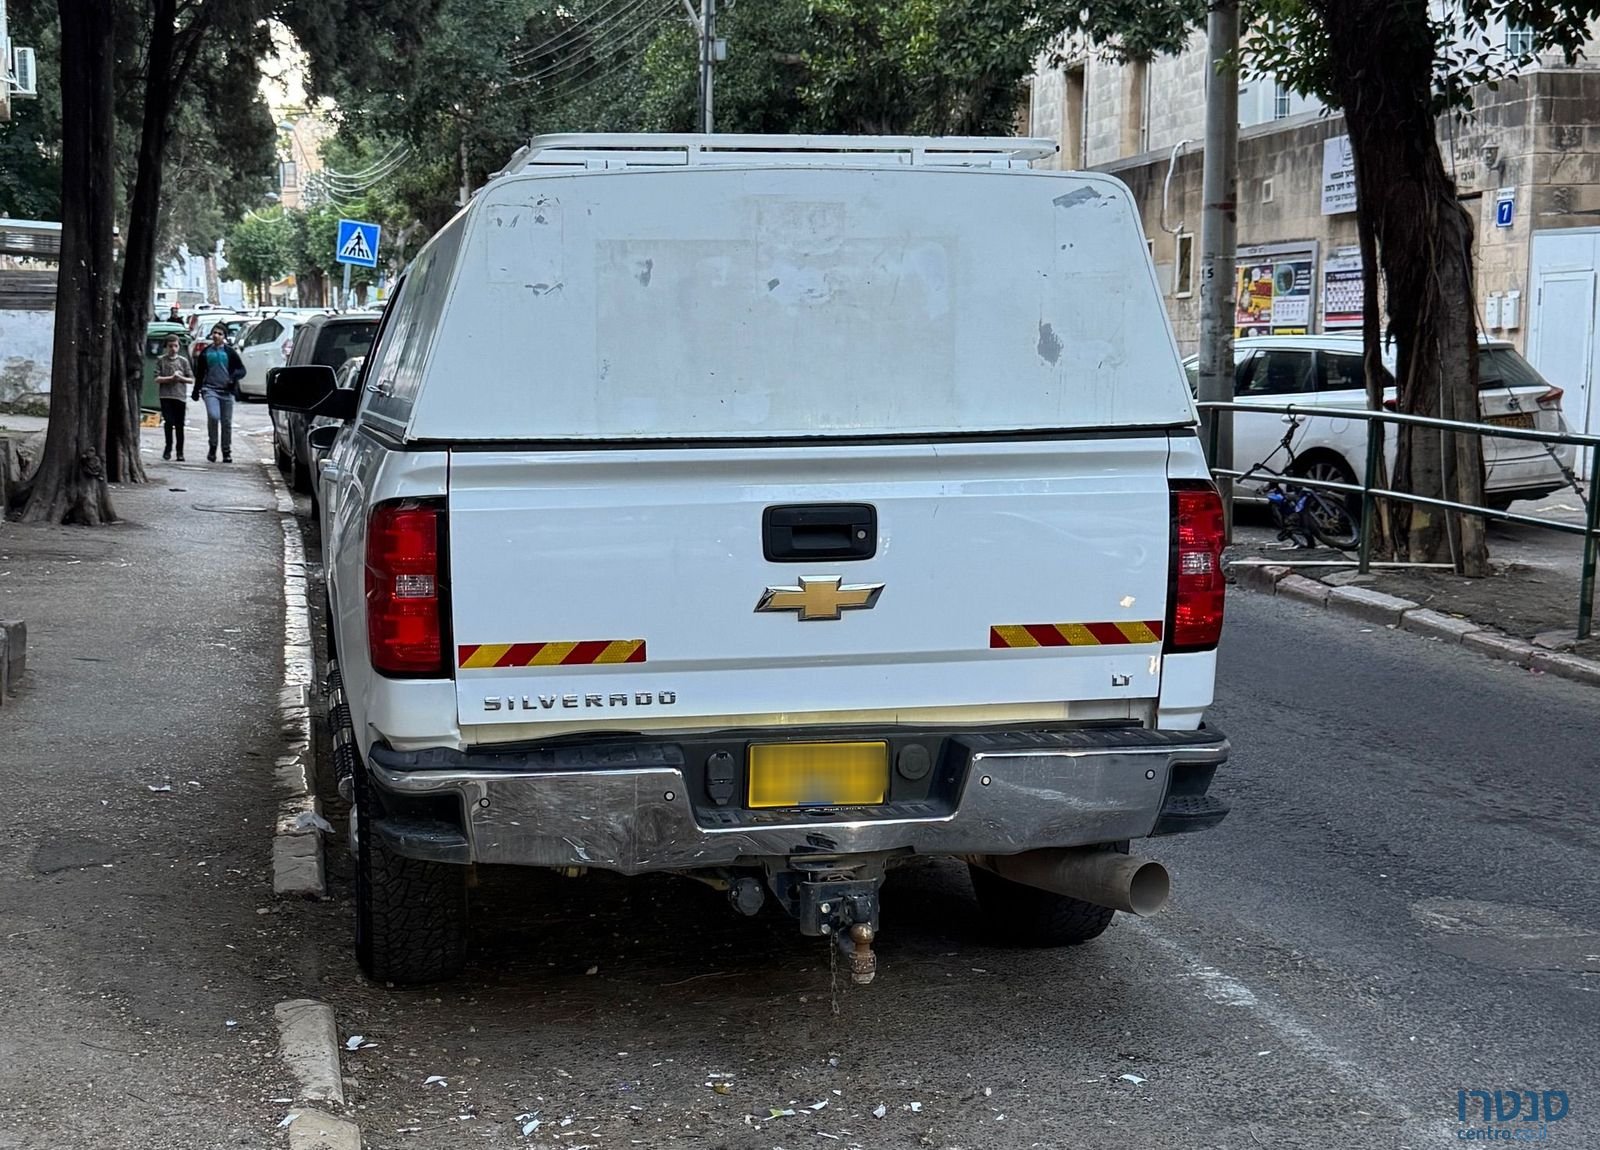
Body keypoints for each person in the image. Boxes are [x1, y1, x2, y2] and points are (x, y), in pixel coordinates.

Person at [191, 325, 246, 463]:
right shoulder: (205, 353)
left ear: (224, 337)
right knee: (214, 416)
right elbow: (199, 373)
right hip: (210, 390)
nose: (216, 335)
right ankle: (213, 446)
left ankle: (226, 451)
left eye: (220, 333)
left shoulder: (230, 352)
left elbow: (241, 370)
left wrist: (232, 378)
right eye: (214, 333)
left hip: (226, 392)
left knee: (226, 423)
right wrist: (196, 390)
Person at [153, 334, 193, 461]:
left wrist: (180, 378)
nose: (173, 349)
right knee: (168, 422)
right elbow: (157, 378)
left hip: (179, 396)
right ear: (166, 347)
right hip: (166, 396)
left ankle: (180, 451)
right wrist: (170, 378)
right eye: (170, 346)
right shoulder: (161, 360)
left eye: (175, 346)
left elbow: (190, 379)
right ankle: (168, 448)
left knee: (179, 425)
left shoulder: (183, 361)